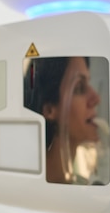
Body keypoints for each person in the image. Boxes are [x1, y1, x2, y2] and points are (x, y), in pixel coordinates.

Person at [24, 56, 102, 184]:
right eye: (79, 88)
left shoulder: (86, 189)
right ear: (49, 110)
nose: (96, 98)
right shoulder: (27, 192)